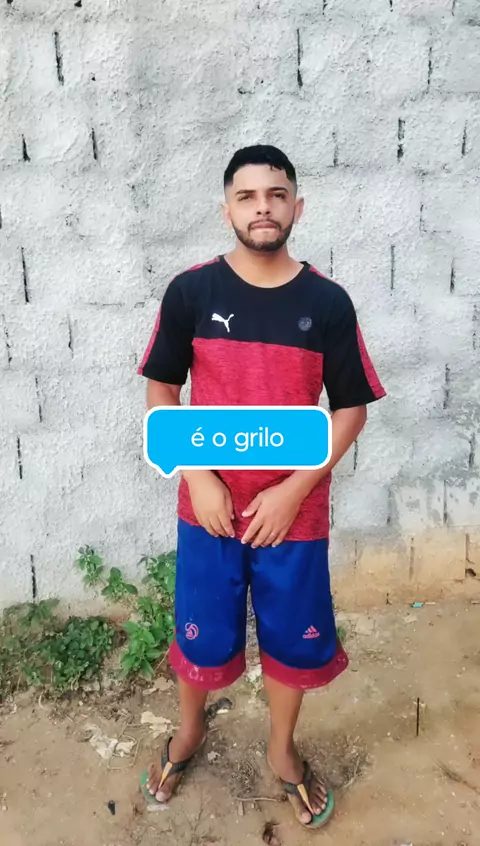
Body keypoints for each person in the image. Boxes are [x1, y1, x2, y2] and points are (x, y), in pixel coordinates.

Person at [137, 145, 386, 829]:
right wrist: (199, 478)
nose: (263, 208)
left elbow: (351, 409)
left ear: (296, 206)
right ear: (227, 210)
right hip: (208, 510)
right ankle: (190, 732)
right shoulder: (191, 293)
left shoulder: (327, 302)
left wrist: (293, 491)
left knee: (291, 637)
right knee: (203, 634)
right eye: (247, 197)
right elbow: (162, 390)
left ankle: (281, 750)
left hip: (293, 516)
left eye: (276, 195)